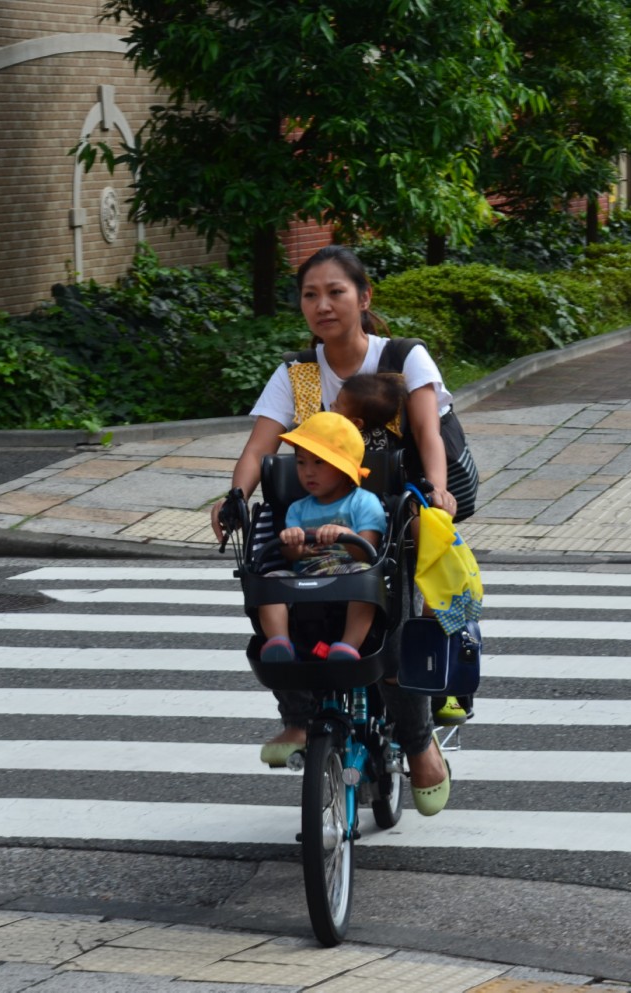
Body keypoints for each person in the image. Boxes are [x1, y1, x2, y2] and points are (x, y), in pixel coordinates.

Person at [211, 244, 457, 815]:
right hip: (311, 516)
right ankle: (297, 715)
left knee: (400, 616)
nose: (322, 305)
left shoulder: (402, 358)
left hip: (389, 512)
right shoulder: (296, 373)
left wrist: (437, 494)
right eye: (310, 295)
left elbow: (428, 439)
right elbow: (258, 448)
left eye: (335, 292)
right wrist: (235, 497)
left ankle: (419, 744)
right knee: (263, 578)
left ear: (363, 298)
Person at [256, 411, 385, 666]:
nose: (307, 473)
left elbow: (368, 552)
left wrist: (346, 536)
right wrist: (293, 543)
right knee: (270, 581)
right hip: (306, 574)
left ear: (342, 466)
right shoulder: (297, 508)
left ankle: (349, 645)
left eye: (318, 463)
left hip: (348, 571)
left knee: (366, 581)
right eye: (301, 463)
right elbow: (292, 557)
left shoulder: (364, 502)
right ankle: (280, 642)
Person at [332, 372, 406, 453]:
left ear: (356, 423)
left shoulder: (344, 442)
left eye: (337, 405)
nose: (332, 403)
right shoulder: (383, 439)